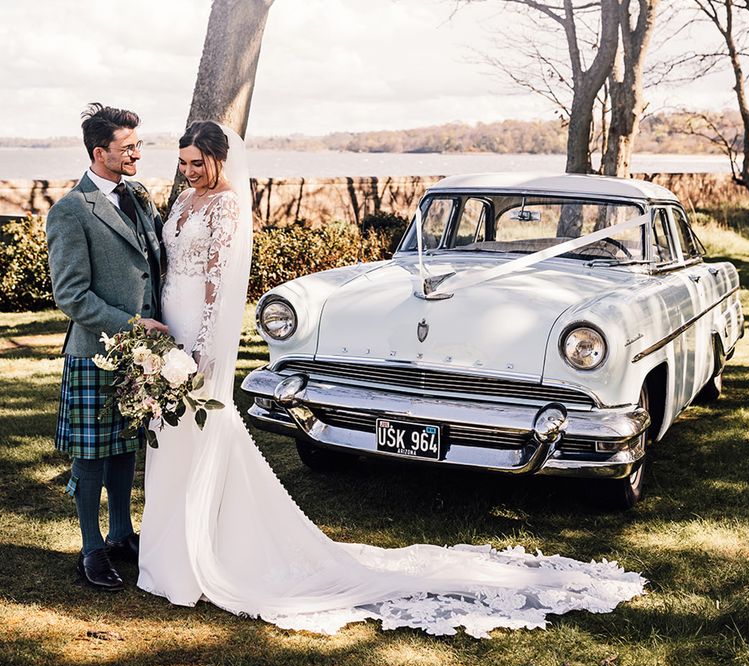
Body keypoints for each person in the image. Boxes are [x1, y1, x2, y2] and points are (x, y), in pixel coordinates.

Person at [137, 121, 645, 637]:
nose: (188, 172)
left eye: (197, 163)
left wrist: (201, 348)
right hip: (166, 321)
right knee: (171, 433)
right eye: (183, 163)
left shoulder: (227, 205)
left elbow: (218, 285)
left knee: (198, 430)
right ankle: (173, 539)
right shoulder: (182, 202)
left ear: (222, 160)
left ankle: (201, 543)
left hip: (199, 334)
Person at [46, 103, 167, 592]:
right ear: (100, 153)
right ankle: (91, 549)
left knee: (125, 449)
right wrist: (134, 325)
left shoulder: (137, 195)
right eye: (128, 147)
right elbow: (70, 295)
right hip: (97, 349)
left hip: (142, 352)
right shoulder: (70, 211)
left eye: (138, 144)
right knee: (92, 456)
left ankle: (121, 534)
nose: (137, 153)